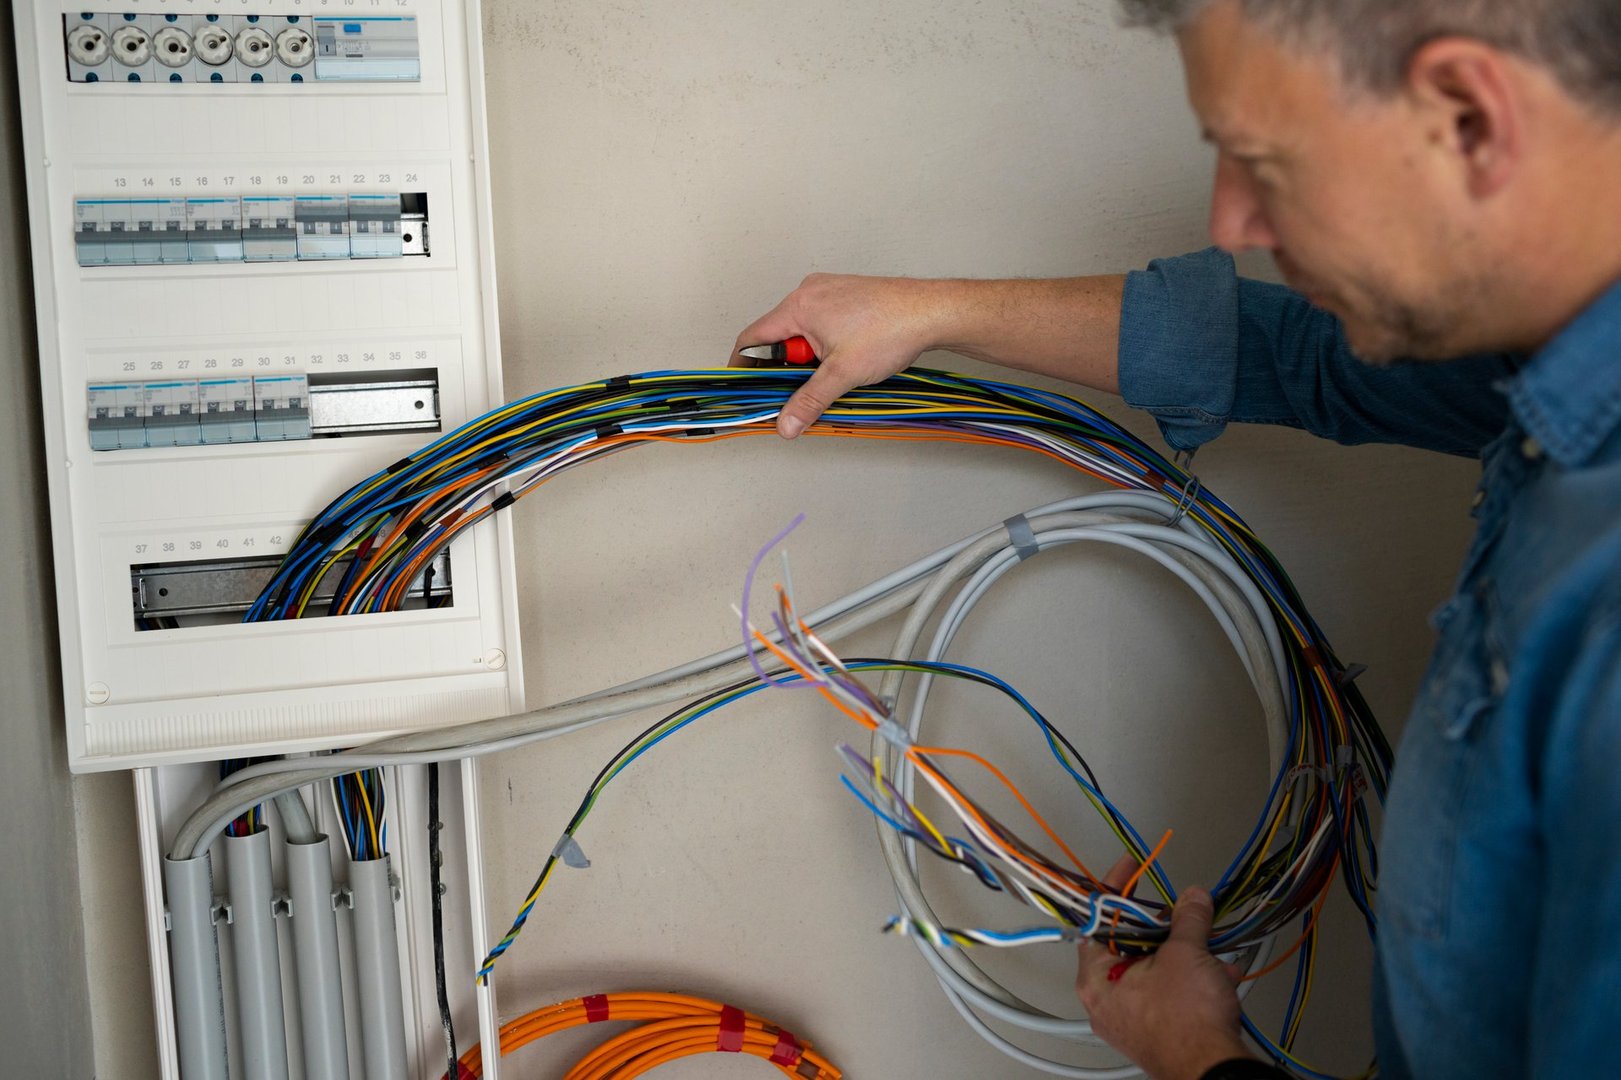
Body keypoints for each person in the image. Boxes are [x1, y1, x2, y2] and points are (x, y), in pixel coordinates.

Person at [732, 2, 1621, 1078]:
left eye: (1263, 161)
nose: (1231, 219)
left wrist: (1202, 1063)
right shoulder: (1556, 355)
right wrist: (930, 311)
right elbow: (1306, 359)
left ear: (1469, 117)